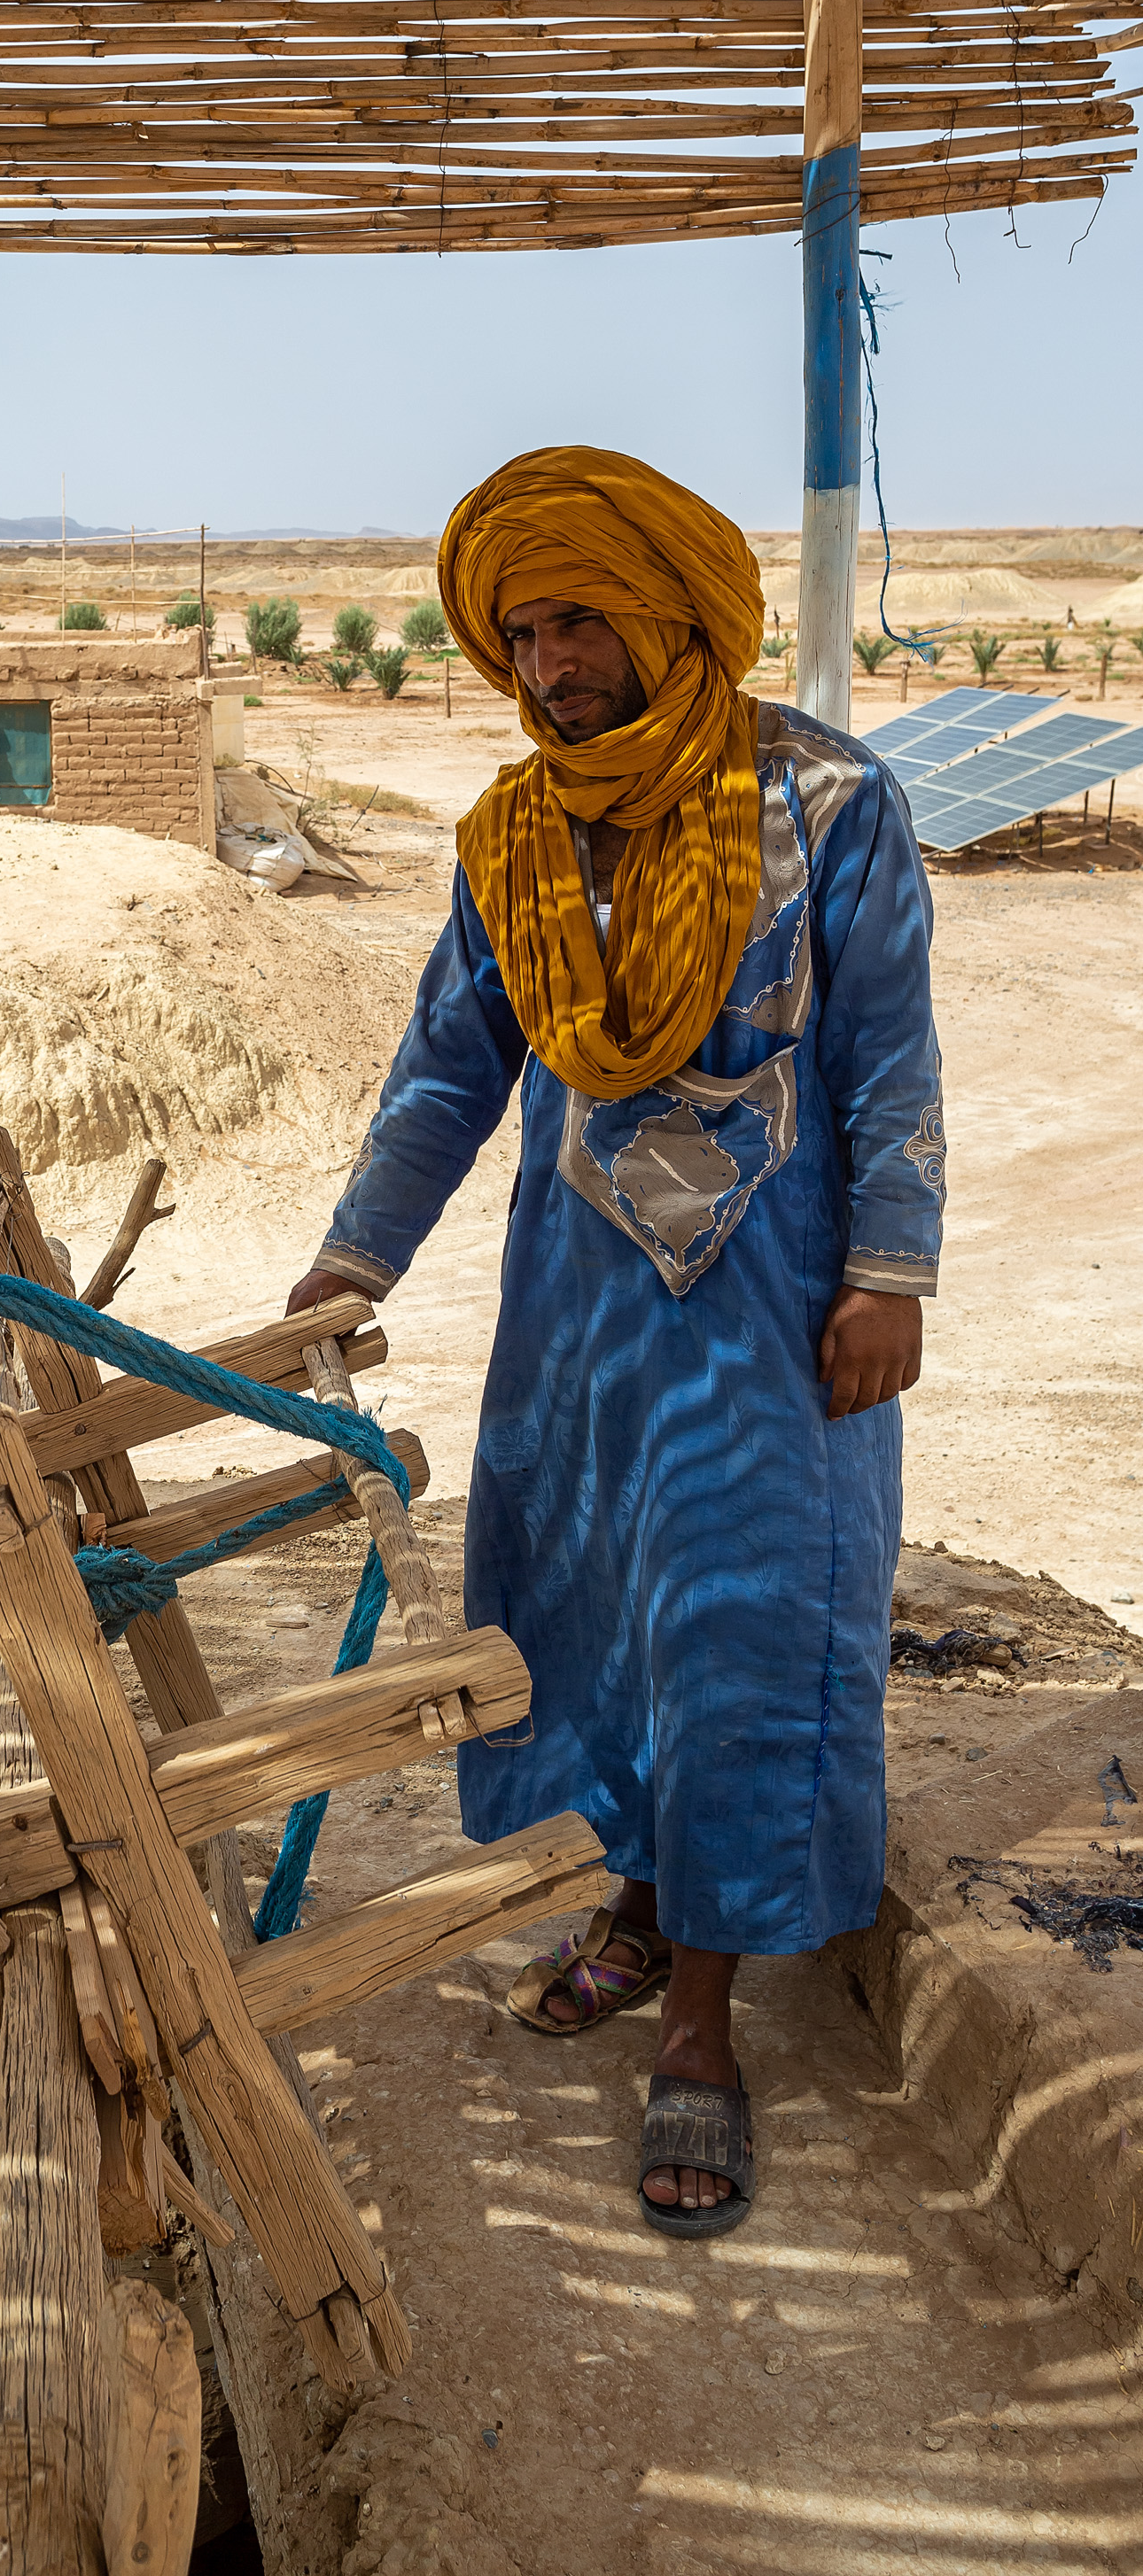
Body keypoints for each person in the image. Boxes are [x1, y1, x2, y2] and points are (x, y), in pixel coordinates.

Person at [286, 446, 944, 2238]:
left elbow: (884, 1058)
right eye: (520, 629)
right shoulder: (511, 836)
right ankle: (641, 1909)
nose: (549, 656)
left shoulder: (828, 803)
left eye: (577, 616)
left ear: (657, 616)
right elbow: (449, 1067)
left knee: (744, 1631)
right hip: (581, 1315)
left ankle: (708, 2035)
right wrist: (352, 1264)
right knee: (598, 1619)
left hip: (777, 1319)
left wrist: (889, 1273)